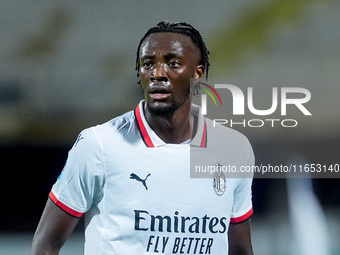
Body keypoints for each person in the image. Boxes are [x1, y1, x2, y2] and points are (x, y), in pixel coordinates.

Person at [31, 21, 254, 255]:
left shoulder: (234, 149)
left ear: (197, 73)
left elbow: (240, 247)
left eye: (173, 63)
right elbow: (47, 243)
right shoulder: (99, 144)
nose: (157, 73)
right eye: (148, 64)